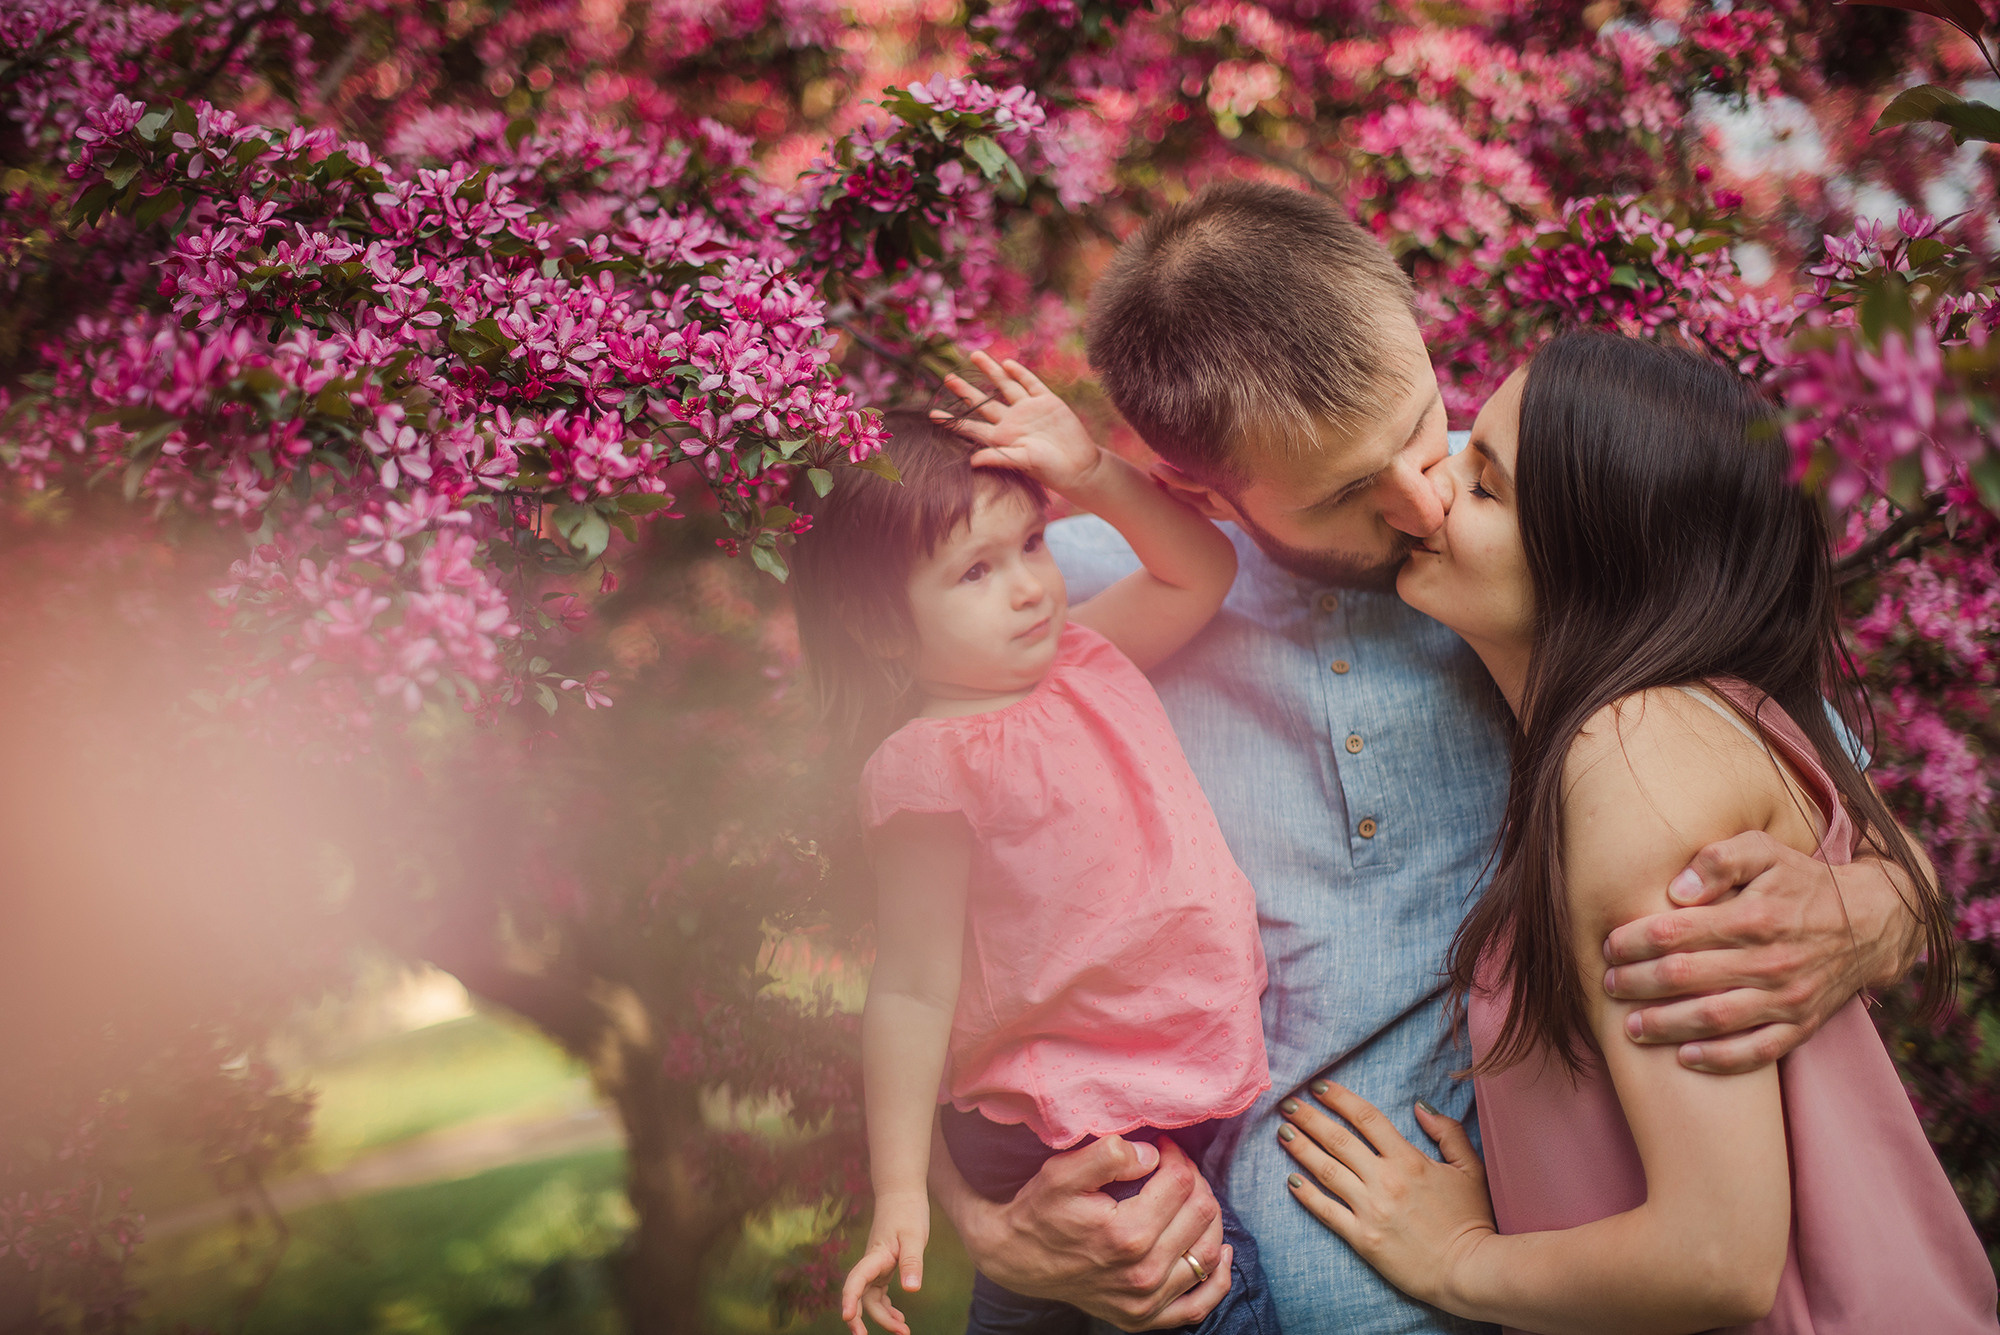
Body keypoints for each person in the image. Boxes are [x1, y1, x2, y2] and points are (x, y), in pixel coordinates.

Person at [929, 180, 1929, 1335]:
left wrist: (1868, 911)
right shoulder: (1078, 607)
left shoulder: (1548, 533)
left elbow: (1839, 810)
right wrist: (986, 1223)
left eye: (1417, 423)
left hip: (1509, 1280)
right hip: (1180, 1280)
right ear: (1192, 488)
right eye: (1350, 492)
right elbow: (916, 950)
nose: (1421, 501)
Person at [1272, 331, 1996, 1334]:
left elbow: (1713, 1259)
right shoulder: (1704, 722)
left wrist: (1456, 1259)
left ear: (1598, 560)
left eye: (1483, 486)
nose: (1431, 491)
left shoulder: (1630, 752)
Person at [792, 367, 1281, 1335]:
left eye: (1029, 544)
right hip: (1062, 1122)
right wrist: (900, 1194)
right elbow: (911, 986)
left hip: (1151, 1089)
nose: (1024, 589)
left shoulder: (1085, 660)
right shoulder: (927, 768)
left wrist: (1091, 471)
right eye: (973, 572)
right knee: (1210, 1301)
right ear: (877, 623)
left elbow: (1203, 567)